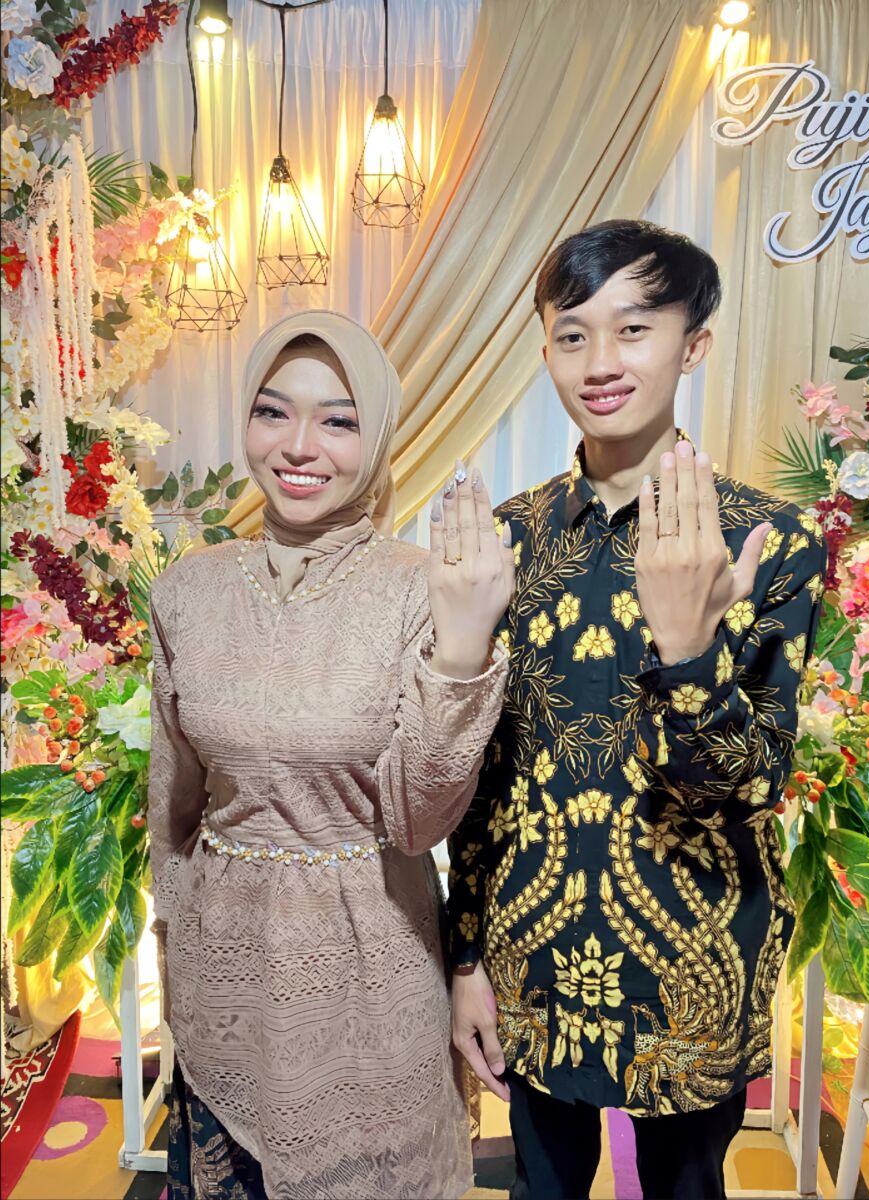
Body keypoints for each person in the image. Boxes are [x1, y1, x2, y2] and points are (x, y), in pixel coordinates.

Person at [447, 220, 827, 1200]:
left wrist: (689, 654)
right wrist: (463, 959)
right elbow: (483, 778)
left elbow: (753, 786)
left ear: (693, 344)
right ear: (544, 350)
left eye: (633, 329)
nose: (600, 362)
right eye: (571, 334)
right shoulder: (509, 539)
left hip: (694, 964)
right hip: (533, 956)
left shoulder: (769, 540)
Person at [148, 309, 515, 1199]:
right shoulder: (188, 589)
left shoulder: (420, 588)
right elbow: (173, 807)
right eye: (273, 412)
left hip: (368, 966)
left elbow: (419, 821)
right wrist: (175, 938)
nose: (299, 446)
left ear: (377, 436)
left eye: (338, 420)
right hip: (223, 966)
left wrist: (464, 649)